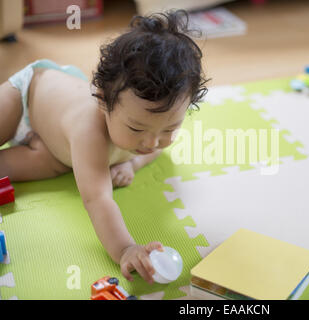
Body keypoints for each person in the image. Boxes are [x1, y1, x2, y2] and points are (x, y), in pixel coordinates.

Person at [0, 10, 209, 285]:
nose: (151, 142)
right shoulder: (89, 131)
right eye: (137, 129)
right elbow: (98, 200)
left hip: (57, 153)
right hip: (27, 96)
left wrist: (132, 162)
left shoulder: (149, 131)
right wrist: (125, 249)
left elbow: (157, 148)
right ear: (103, 101)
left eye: (169, 129)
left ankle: (47, 144)